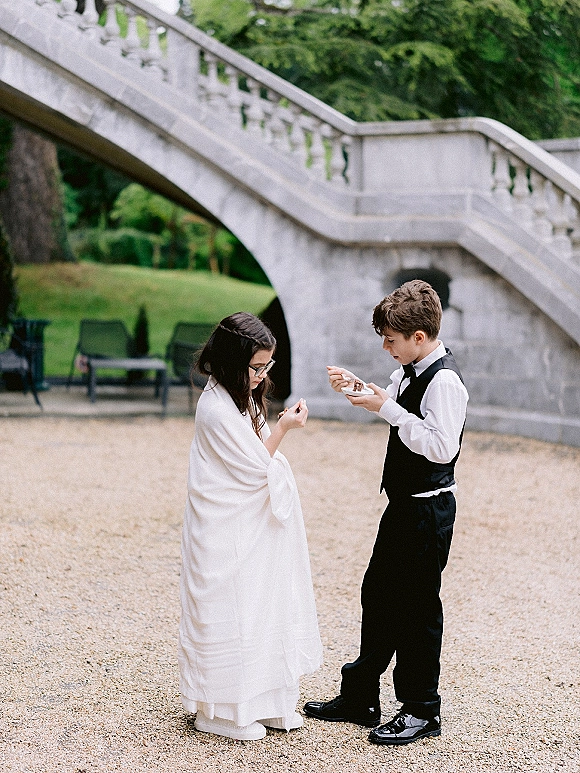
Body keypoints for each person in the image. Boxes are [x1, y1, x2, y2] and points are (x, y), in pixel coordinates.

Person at [304, 280, 468, 746]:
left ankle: (421, 710)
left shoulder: (445, 381)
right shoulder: (411, 368)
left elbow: (441, 447)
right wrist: (365, 393)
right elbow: (396, 405)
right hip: (401, 507)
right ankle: (361, 695)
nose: (384, 346)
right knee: (377, 594)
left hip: (427, 511)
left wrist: (387, 409)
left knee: (417, 610)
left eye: (391, 339)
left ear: (420, 337)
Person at [178, 312, 322, 742]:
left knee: (264, 604)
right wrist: (283, 428)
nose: (262, 376)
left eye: (267, 366)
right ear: (229, 362)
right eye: (255, 367)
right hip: (225, 526)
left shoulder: (241, 396)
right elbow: (258, 467)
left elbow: (257, 456)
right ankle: (221, 710)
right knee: (234, 610)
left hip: (250, 523)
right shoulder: (215, 408)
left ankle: (269, 701)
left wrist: (276, 428)